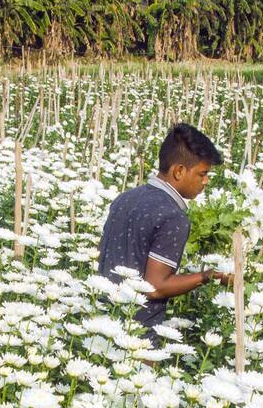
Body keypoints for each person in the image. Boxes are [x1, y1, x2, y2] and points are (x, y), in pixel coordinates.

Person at [97, 123, 231, 345]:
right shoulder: (173, 217)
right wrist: (207, 276)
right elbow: (156, 287)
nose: (206, 181)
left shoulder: (125, 198)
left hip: (102, 323)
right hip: (138, 336)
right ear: (179, 171)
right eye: (202, 174)